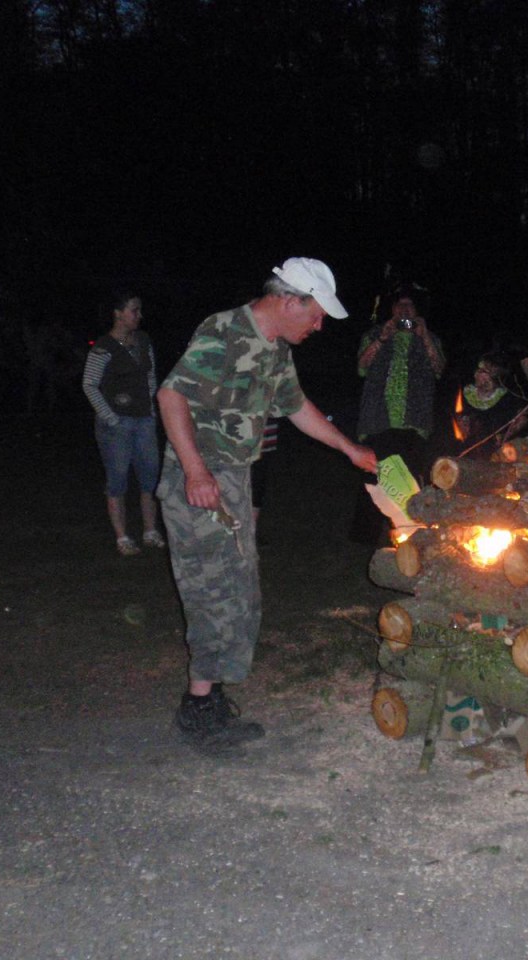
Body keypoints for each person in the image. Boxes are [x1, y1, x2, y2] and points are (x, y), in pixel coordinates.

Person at [157, 257, 377, 747]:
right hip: (199, 483)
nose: (319, 326)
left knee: (238, 591)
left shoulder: (276, 349)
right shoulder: (224, 331)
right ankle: (198, 709)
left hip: (233, 479)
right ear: (288, 300)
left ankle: (209, 698)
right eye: (316, 315)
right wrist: (195, 470)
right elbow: (172, 396)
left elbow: (296, 406)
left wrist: (349, 449)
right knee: (211, 593)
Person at [351, 284, 445, 543]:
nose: (404, 310)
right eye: (399, 305)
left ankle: (409, 533)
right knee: (375, 476)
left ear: (417, 311)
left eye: (409, 305)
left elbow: (439, 369)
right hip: (378, 419)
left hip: (414, 421)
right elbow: (361, 367)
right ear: (392, 310)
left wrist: (425, 337)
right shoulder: (375, 334)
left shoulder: (429, 338)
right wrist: (383, 338)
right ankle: (366, 537)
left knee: (409, 480)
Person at [82, 292, 164, 556]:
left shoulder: (143, 340)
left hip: (144, 420)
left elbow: (150, 375)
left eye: (139, 310)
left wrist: (151, 408)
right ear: (118, 313)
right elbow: (89, 384)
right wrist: (111, 417)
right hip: (116, 424)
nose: (139, 315)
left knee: (150, 478)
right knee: (117, 481)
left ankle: (150, 531)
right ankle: (122, 536)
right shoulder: (104, 347)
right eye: (134, 310)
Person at [454, 354, 528, 457]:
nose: (477, 373)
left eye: (484, 371)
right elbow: (455, 417)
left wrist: (506, 436)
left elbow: (523, 419)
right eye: (478, 369)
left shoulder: (507, 399)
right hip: (464, 453)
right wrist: (461, 423)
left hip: (496, 455)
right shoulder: (463, 393)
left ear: (495, 377)